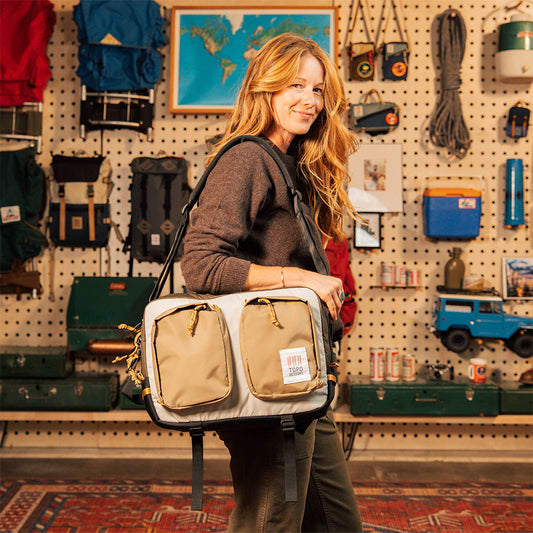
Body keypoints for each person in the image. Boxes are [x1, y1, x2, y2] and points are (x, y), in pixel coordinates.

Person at [181, 33, 363, 533]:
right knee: (270, 522)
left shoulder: (290, 162)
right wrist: (300, 279)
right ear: (266, 87)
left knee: (338, 524)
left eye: (318, 89)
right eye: (295, 85)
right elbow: (200, 264)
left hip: (301, 373)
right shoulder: (246, 159)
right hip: (265, 381)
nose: (310, 99)